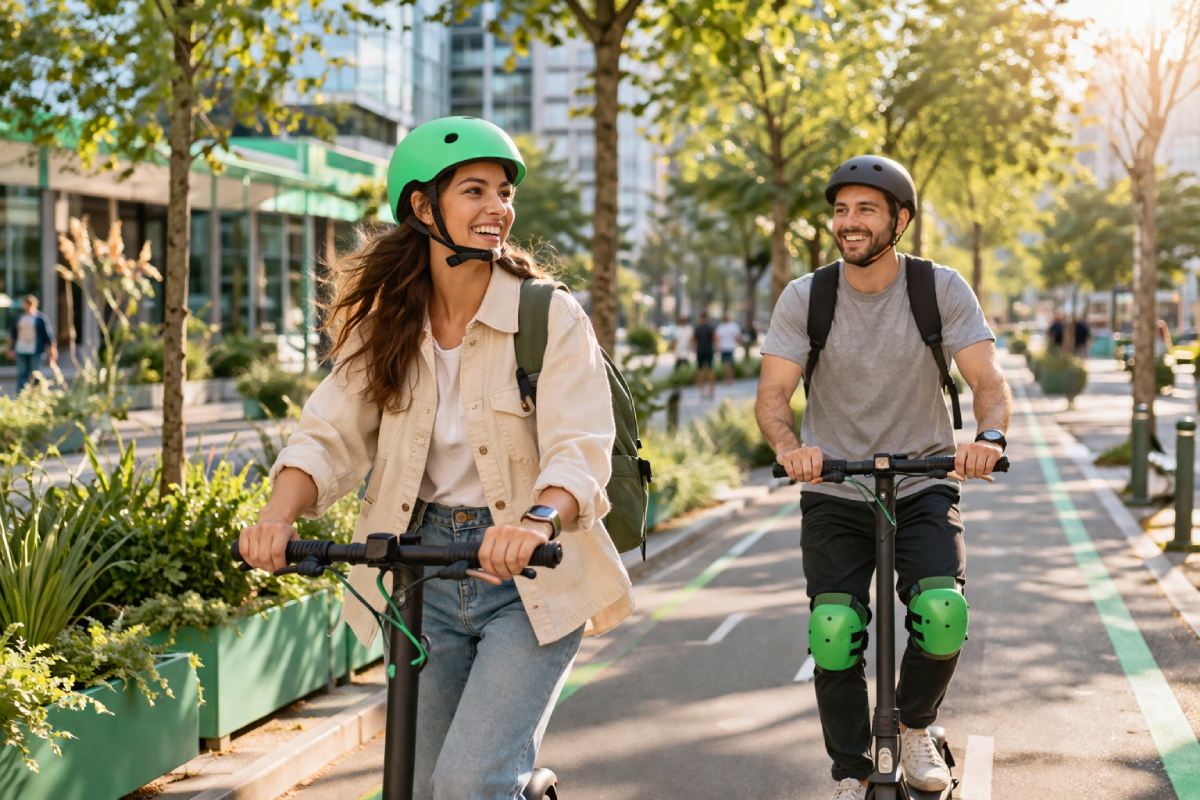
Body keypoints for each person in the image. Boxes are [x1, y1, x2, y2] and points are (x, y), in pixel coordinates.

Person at [237, 116, 634, 800]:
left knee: (469, 781)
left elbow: (580, 447)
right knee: (422, 788)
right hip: (419, 576)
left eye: (504, 192)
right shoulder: (386, 324)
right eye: (474, 191)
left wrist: (534, 523)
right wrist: (277, 515)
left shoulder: (550, 317)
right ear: (423, 208)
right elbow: (328, 433)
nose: (498, 208)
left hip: (529, 577)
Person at [754, 155, 1011, 800]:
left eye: (866, 209)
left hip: (923, 483)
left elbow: (988, 382)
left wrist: (988, 440)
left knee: (941, 612)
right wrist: (792, 449)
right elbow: (772, 398)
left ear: (899, 219)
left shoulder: (939, 288)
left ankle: (916, 724)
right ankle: (851, 767)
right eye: (841, 210)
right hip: (836, 489)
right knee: (834, 633)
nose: (849, 222)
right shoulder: (806, 296)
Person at [6, 294, 57, 394]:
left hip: (35, 350)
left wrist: (52, 351)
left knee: (36, 374)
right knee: (22, 374)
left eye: (29, 304)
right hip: (21, 350)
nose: (27, 306)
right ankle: (21, 395)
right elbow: (12, 335)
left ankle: (36, 395)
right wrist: (9, 349)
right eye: (26, 304)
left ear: (34, 305)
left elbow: (49, 336)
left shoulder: (40, 318)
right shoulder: (19, 318)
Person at [715, 312, 743, 385]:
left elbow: (738, 337)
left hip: (730, 347)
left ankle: (728, 380)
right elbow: (717, 338)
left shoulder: (733, 326)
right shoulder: (720, 326)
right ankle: (730, 379)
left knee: (727, 364)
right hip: (723, 348)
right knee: (727, 365)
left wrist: (739, 343)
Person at [693, 310, 716, 399]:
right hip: (701, 352)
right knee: (700, 372)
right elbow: (694, 340)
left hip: (708, 351)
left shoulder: (710, 328)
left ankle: (711, 391)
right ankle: (702, 391)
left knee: (709, 371)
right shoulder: (697, 328)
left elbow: (714, 339)